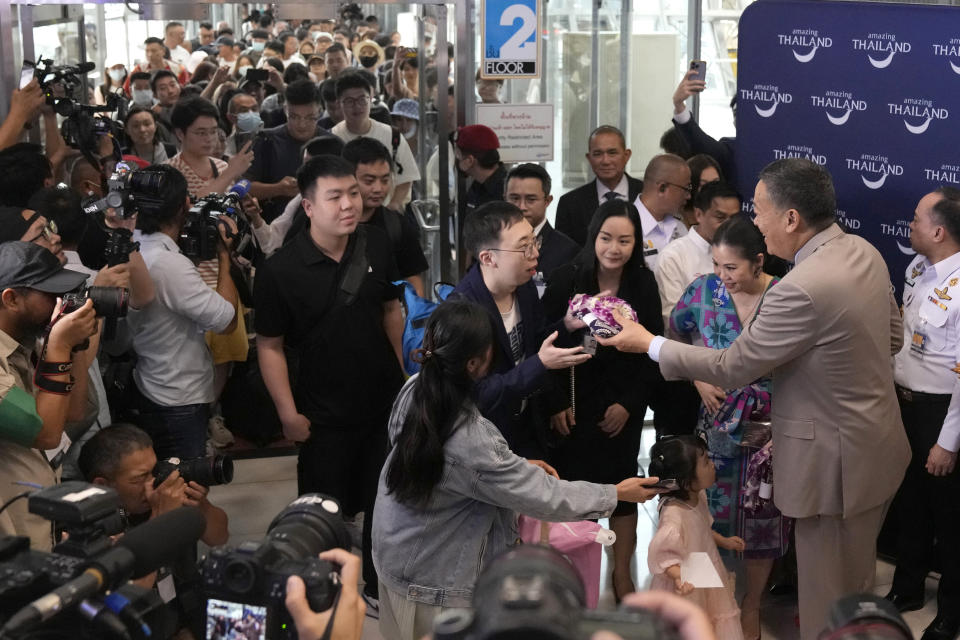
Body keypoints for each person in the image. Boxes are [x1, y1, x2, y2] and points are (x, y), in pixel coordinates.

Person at [598, 158, 911, 640]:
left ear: (791, 218)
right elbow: (892, 336)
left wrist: (648, 343)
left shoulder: (801, 288)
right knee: (856, 589)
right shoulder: (863, 251)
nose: (756, 224)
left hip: (835, 467)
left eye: (761, 212)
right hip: (878, 448)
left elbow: (733, 366)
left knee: (830, 607)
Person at [372, 299, 664, 640]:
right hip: (435, 585)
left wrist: (514, 466)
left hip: (396, 556)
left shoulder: (416, 388)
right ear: (475, 363)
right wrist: (616, 493)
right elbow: (544, 495)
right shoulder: (471, 439)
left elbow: (445, 467)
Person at [254, 155, 405, 606]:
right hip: (321, 417)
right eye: (335, 196)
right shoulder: (280, 270)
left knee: (387, 504)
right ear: (308, 206)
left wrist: (401, 376)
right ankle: (326, 598)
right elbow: (270, 346)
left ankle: (379, 589)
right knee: (323, 512)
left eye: (353, 193)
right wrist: (287, 413)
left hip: (382, 405)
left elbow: (391, 309)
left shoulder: (377, 243)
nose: (349, 205)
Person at [668, 215, 790, 640]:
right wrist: (699, 376)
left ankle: (752, 606)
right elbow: (676, 338)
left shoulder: (785, 296)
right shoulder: (702, 291)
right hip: (716, 426)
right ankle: (707, 606)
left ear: (759, 262)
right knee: (707, 517)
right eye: (717, 265)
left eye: (732, 268)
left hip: (768, 429)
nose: (722, 276)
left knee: (763, 515)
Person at [541, 199, 664, 601]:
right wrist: (556, 401)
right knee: (574, 488)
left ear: (636, 243)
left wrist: (629, 405)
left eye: (625, 240)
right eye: (607, 238)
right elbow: (544, 346)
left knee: (623, 486)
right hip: (574, 402)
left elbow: (653, 351)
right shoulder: (566, 280)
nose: (615, 248)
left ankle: (621, 573)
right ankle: (573, 573)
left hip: (622, 406)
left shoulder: (643, 285)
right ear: (594, 236)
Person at [452, 201, 590, 457]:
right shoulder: (461, 312)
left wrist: (566, 325)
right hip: (485, 440)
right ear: (488, 257)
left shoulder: (523, 285)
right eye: (523, 247)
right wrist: (539, 364)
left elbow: (537, 339)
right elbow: (475, 395)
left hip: (527, 426)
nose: (535, 254)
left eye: (534, 242)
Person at [887, 187, 960, 640]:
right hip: (904, 405)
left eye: (915, 219)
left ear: (937, 230)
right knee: (909, 504)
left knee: (950, 519)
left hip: (942, 413)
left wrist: (947, 442)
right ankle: (907, 588)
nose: (908, 225)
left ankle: (952, 610)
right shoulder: (917, 268)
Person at [128, 165, 239, 460]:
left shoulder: (131, 248)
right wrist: (224, 257)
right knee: (185, 487)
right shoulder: (168, 264)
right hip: (177, 397)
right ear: (184, 206)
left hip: (149, 382)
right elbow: (226, 321)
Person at [78, 424, 229, 637]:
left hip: (183, 615)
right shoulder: (87, 528)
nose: (153, 483)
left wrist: (201, 505)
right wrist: (160, 520)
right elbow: (126, 599)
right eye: (139, 478)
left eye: (154, 471)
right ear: (104, 484)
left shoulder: (164, 498)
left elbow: (219, 537)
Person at [0, 242, 98, 550]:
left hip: (36, 525)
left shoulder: (26, 345)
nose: (62, 302)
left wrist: (74, 345)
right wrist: (58, 346)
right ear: (12, 298)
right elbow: (46, 432)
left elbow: (73, 413)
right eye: (51, 295)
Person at [647, 435, 745, 640]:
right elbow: (664, 558)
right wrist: (679, 576)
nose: (713, 466)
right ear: (686, 480)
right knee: (693, 624)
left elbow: (701, 529)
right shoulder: (674, 515)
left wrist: (724, 541)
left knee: (712, 618)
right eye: (706, 462)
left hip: (703, 568)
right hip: (687, 580)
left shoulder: (697, 496)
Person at [342, 137, 428, 296]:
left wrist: (415, 316)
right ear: (348, 178)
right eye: (369, 181)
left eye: (385, 180)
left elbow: (412, 277)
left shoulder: (396, 225)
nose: (378, 188)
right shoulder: (327, 223)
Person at [655, 181, 740, 328]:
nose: (729, 225)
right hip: (690, 348)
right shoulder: (673, 257)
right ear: (699, 214)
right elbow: (672, 321)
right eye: (720, 218)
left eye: (734, 218)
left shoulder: (742, 253)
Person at [332, 71, 419, 211]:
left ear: (371, 98)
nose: (357, 106)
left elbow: (406, 177)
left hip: (385, 215)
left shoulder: (392, 136)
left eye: (362, 99)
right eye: (349, 101)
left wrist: (394, 204)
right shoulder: (333, 138)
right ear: (338, 103)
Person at [246, 79, 331, 222]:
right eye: (295, 117)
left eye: (310, 117)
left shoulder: (331, 143)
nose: (302, 125)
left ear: (320, 111)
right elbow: (244, 188)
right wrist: (276, 189)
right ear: (285, 109)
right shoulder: (266, 140)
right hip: (271, 229)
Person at [556, 125, 644, 247]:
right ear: (589, 158)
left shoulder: (646, 194)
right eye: (597, 154)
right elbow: (565, 253)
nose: (605, 161)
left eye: (612, 153)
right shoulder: (570, 204)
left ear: (626, 155)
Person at [504, 163, 578, 297]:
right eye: (514, 198)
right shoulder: (492, 244)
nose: (521, 207)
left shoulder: (567, 251)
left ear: (547, 201)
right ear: (504, 198)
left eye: (531, 199)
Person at [672, 69, 737, 190]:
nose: (738, 120)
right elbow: (700, 142)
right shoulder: (731, 149)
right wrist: (679, 104)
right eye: (735, 114)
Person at [632, 153, 690, 273]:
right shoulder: (626, 225)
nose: (688, 196)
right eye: (685, 188)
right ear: (662, 188)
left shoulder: (681, 228)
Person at [454, 124, 507, 216]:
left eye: (458, 154)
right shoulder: (477, 185)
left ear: (469, 160)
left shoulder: (507, 192)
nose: (456, 158)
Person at [122, 37, 188, 95]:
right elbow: (126, 90)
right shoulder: (140, 69)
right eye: (147, 51)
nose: (150, 54)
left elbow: (185, 91)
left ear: (163, 51)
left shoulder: (178, 69)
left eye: (154, 51)